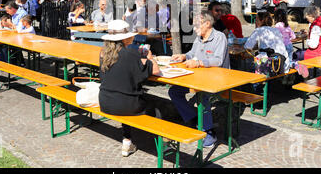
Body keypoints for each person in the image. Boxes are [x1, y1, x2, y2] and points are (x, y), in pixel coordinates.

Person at [98, 20, 160, 157]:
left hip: (105, 102)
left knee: (124, 96)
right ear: (126, 38)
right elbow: (155, 70)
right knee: (158, 108)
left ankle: (127, 140)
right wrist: (148, 57)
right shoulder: (132, 55)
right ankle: (162, 146)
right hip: (125, 104)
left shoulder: (103, 54)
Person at [168, 10, 230, 148]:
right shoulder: (199, 37)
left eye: (197, 25)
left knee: (203, 96)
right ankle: (195, 118)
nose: (194, 28)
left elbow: (218, 60)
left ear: (207, 24)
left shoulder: (219, 37)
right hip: (198, 77)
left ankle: (209, 132)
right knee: (174, 91)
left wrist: (199, 63)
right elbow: (192, 53)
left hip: (218, 80)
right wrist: (184, 56)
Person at [294, 6, 321, 78]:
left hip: (320, 53)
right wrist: (309, 34)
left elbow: (313, 45)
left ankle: (306, 77)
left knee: (296, 55)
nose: (306, 19)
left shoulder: (316, 26)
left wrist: (307, 40)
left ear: (311, 15)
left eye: (307, 16)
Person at [244, 11, 290, 75]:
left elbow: (247, 46)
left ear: (262, 21)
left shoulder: (259, 30)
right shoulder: (276, 30)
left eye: (257, 20)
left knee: (248, 65)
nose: (255, 22)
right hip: (284, 65)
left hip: (270, 68)